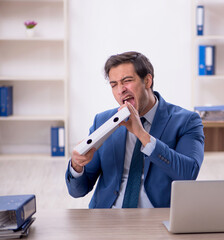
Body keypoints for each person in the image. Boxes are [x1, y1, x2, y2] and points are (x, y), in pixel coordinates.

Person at [65, 51, 205, 208]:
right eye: (114, 85)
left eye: (127, 81)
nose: (120, 90)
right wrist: (77, 166)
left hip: (157, 218)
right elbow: (78, 191)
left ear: (147, 80)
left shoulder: (186, 121)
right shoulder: (103, 121)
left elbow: (188, 174)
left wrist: (141, 134)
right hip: (108, 218)